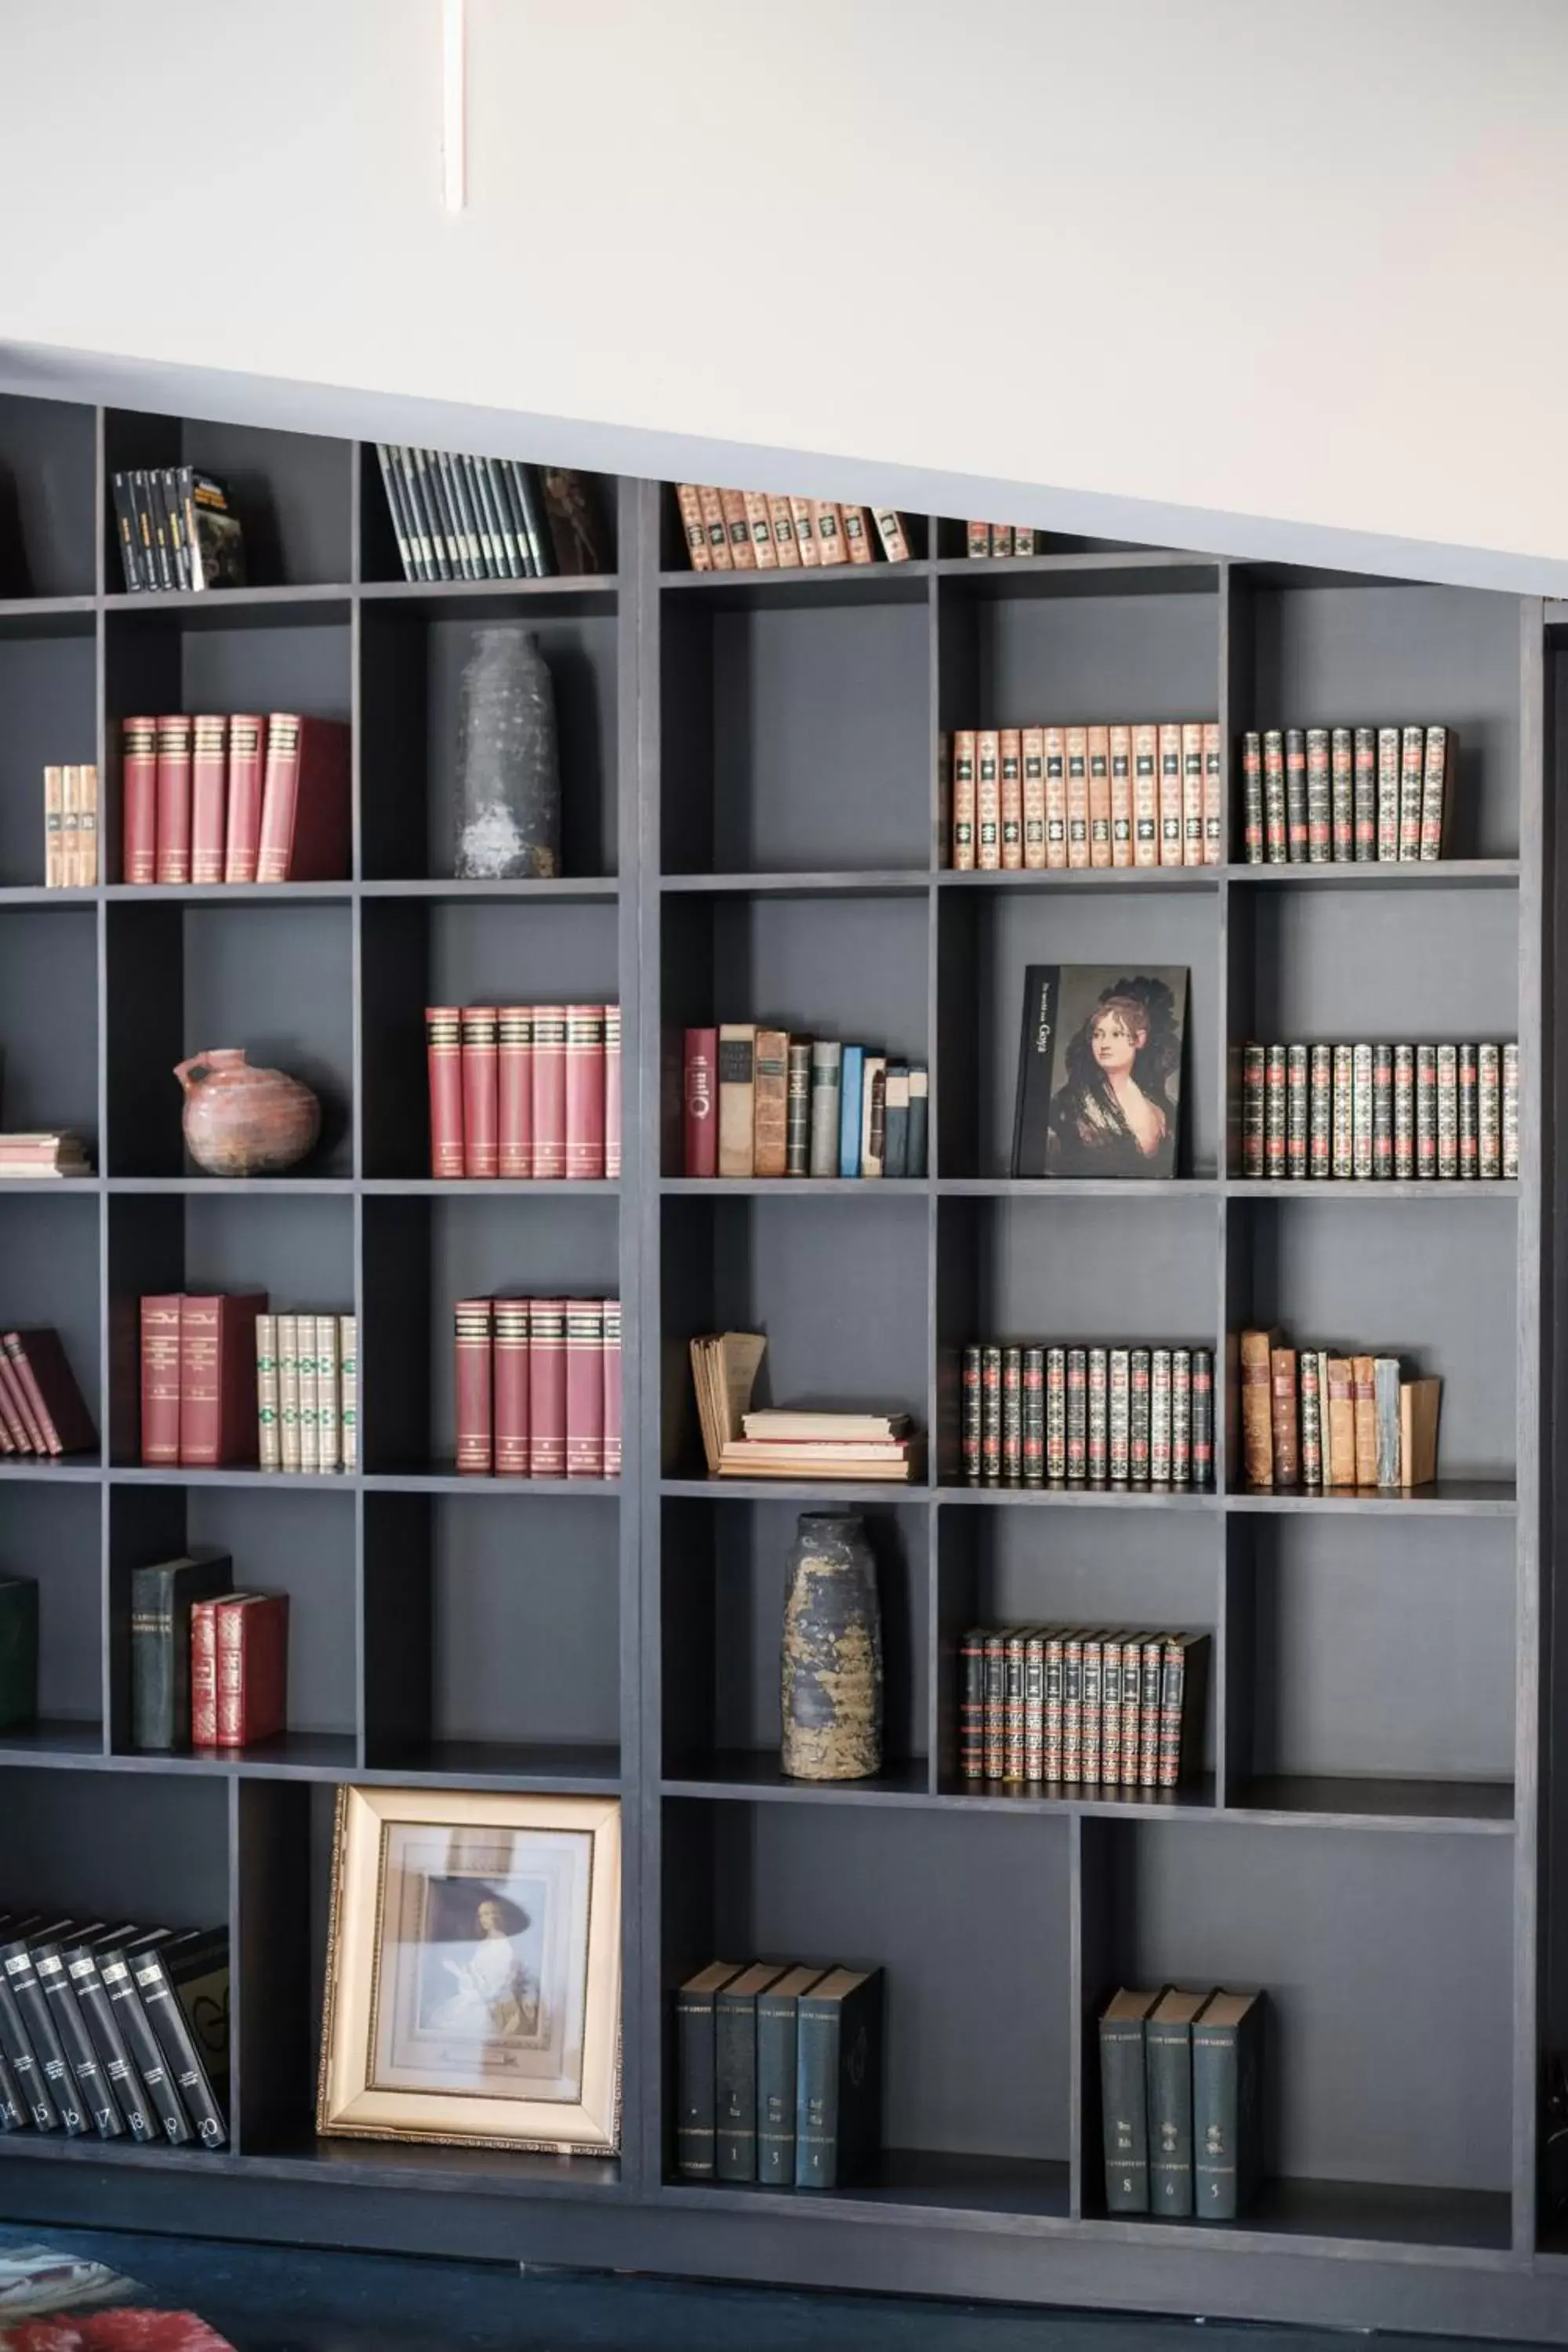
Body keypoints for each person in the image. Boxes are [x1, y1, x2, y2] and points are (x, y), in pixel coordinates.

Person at [1047, 976, 1181, 1176]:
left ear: (1140, 1039)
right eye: (1098, 1034)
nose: (1104, 1044)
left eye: (1116, 1034)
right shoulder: (1070, 1102)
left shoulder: (1159, 1105)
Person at [426, 1896, 537, 2039]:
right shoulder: (484, 1944)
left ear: (497, 1916)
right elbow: (477, 1970)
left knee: (449, 2021)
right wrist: (459, 1969)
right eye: (480, 1916)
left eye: (487, 1914)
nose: (483, 1919)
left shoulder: (505, 1946)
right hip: (479, 1994)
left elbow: (494, 1987)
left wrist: (465, 1974)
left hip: (493, 2003)